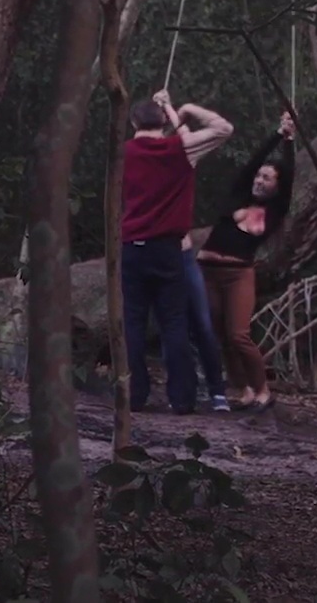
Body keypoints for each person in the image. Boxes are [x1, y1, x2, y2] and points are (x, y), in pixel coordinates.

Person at [120, 89, 233, 414]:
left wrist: (169, 114)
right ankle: (182, 399)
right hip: (167, 248)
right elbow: (224, 128)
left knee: (132, 321)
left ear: (133, 123)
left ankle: (134, 395)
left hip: (132, 246)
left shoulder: (124, 152)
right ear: (162, 122)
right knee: (173, 322)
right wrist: (183, 109)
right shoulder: (180, 148)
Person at [195, 111, 296, 410]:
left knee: (239, 335)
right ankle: (244, 389)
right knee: (220, 335)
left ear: (276, 186)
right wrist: (276, 134)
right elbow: (253, 162)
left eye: (267, 178)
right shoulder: (238, 195)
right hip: (207, 271)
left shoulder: (275, 210)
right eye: (259, 176)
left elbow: (290, 177)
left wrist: (289, 141)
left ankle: (262, 389)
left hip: (238, 273)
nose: (259, 180)